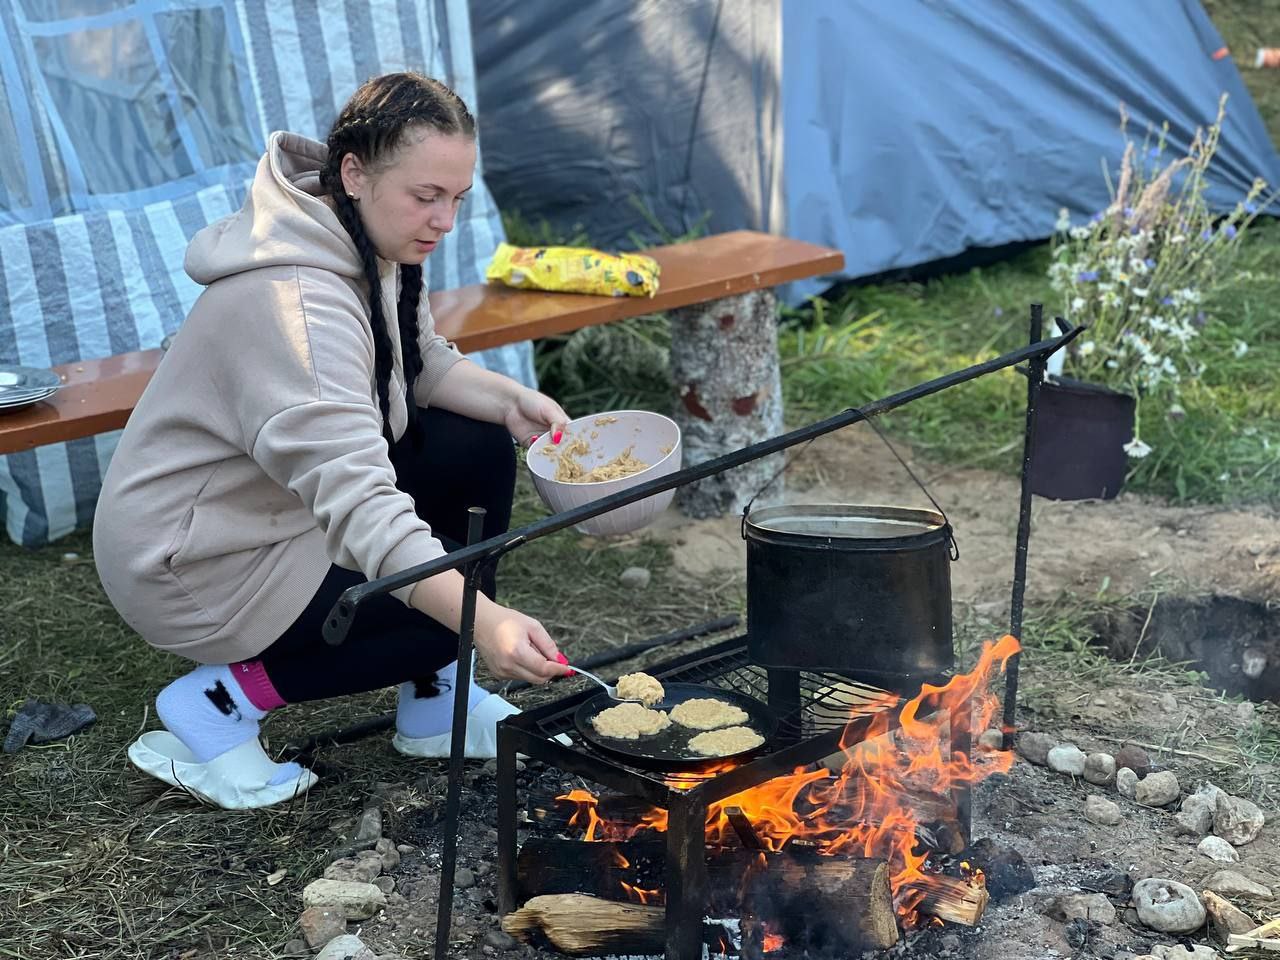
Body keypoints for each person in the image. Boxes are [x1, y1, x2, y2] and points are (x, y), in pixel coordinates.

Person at [92, 72, 569, 810]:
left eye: (456, 198)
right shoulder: (295, 307)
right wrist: (483, 621)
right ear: (353, 172)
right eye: (426, 195)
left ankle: (434, 700)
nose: (444, 221)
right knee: (444, 612)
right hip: (194, 554)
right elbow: (360, 506)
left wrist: (512, 403)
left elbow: (416, 361)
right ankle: (217, 704)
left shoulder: (363, 233)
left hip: (271, 505)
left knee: (476, 443)